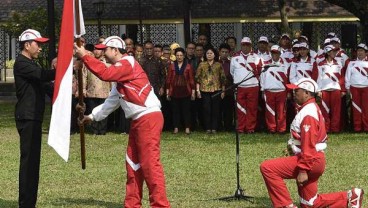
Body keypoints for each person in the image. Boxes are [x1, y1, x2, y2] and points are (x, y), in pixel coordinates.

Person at [74, 36, 170, 208]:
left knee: (149, 163)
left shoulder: (128, 63)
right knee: (133, 162)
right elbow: (112, 102)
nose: (103, 53)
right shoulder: (121, 75)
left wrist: (85, 56)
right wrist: (91, 117)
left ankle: (160, 205)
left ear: (115, 50)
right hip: (139, 120)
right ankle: (132, 204)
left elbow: (105, 74)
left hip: (148, 118)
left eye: (105, 49)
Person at [260, 78, 364, 208]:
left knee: (268, 168)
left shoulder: (308, 112)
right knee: (310, 204)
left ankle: (285, 205)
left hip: (310, 161)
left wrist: (303, 170)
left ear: (307, 93)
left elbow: (309, 144)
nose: (294, 93)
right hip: (313, 160)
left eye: (297, 90)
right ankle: (351, 197)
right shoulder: (310, 108)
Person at [14, 29, 55, 208]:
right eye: (37, 44)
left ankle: (30, 202)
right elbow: (43, 76)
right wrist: (63, 66)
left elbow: (48, 87)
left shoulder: (32, 65)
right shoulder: (22, 63)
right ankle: (26, 204)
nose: (40, 48)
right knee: (29, 163)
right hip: (27, 117)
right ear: (27, 45)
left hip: (34, 118)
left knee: (33, 163)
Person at [230, 37, 263, 133]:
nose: (245, 47)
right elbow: (232, 72)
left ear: (251, 46)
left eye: (247, 45)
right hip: (240, 86)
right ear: (241, 45)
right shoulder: (235, 57)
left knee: (252, 108)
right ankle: (240, 127)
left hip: (253, 86)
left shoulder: (256, 57)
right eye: (243, 45)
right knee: (240, 108)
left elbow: (260, 71)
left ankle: (250, 128)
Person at [196, 47, 226, 133]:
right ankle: (208, 127)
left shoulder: (218, 65)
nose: (209, 55)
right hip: (204, 90)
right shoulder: (202, 64)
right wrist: (198, 90)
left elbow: (223, 78)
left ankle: (214, 127)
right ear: (205, 55)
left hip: (217, 89)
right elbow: (198, 78)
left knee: (216, 109)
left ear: (214, 55)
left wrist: (223, 91)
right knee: (206, 109)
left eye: (211, 53)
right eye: (208, 53)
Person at [166, 47, 195, 134]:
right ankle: (176, 127)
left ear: (184, 56)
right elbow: (168, 79)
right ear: (175, 56)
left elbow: (191, 80)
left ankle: (187, 127)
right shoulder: (172, 66)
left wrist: (193, 91)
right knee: (175, 110)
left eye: (181, 55)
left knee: (186, 110)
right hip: (174, 90)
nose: (179, 57)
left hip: (185, 90)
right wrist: (167, 91)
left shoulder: (188, 66)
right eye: (177, 55)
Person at [316, 45, 345, 133]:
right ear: (328, 53)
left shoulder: (338, 63)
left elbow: (342, 77)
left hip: (336, 89)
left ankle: (335, 129)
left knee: (336, 111)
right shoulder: (321, 64)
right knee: (324, 111)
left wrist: (343, 90)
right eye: (332, 51)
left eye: (335, 51)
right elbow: (319, 78)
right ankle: (326, 129)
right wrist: (318, 90)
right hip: (324, 90)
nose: (334, 53)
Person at [260, 45, 289, 133]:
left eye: (276, 53)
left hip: (281, 91)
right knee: (269, 111)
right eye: (273, 53)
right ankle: (271, 128)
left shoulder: (285, 64)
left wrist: (288, 91)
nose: (274, 55)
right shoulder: (266, 64)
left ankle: (281, 129)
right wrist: (262, 89)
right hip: (269, 91)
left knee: (281, 111)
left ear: (280, 54)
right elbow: (262, 77)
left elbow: (288, 79)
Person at [345, 43, 368, 132]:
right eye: (358, 51)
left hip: (366, 88)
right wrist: (347, 87)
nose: (360, 53)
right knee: (355, 108)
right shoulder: (351, 63)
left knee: (366, 108)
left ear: (366, 53)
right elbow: (347, 75)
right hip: (354, 88)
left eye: (362, 51)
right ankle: (357, 127)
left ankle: (366, 127)